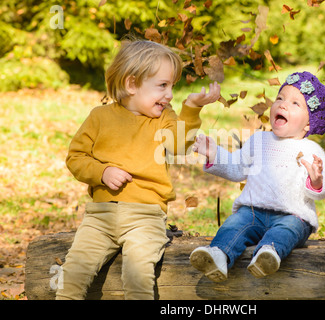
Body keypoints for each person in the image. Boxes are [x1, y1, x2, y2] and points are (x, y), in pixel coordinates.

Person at [56, 39, 221, 299]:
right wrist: (101, 172)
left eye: (172, 87)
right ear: (131, 84)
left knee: (137, 274)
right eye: (163, 86)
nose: (169, 95)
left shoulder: (166, 119)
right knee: (73, 273)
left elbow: (178, 145)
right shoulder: (99, 117)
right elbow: (76, 157)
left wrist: (192, 108)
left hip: (146, 217)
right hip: (100, 217)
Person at [190, 71, 325, 282]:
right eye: (280, 98)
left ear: (308, 124)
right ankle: (218, 255)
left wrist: (317, 181)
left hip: (293, 215)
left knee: (287, 230)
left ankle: (269, 253)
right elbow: (237, 167)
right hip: (253, 212)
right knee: (234, 225)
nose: (283, 104)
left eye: (295, 103)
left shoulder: (310, 149)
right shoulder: (259, 141)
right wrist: (214, 154)